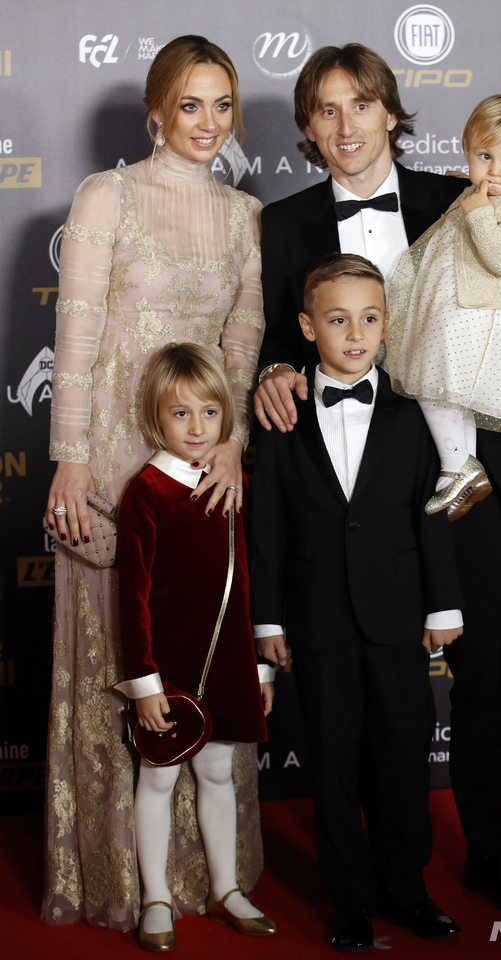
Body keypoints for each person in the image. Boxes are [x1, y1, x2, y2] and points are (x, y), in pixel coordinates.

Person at [254, 44, 501, 918]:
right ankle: (388, 877)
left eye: (362, 105)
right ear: (308, 128)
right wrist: (272, 371)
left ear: (392, 112)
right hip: (359, 506)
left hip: (468, 485)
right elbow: (276, 336)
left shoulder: (462, 198)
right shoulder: (282, 224)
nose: (346, 126)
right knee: (373, 695)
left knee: (484, 680)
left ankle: (493, 854)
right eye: (326, 111)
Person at [43, 36, 265, 929]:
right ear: (156, 111)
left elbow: (240, 348)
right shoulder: (109, 194)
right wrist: (69, 456)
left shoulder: (246, 214)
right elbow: (80, 331)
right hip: (109, 463)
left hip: (200, 475)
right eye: (190, 106)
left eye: (222, 106)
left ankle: (210, 878)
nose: (207, 124)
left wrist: (235, 439)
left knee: (199, 657)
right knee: (119, 660)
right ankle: (125, 882)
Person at [250, 254, 464, 950]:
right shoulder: (282, 415)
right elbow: (268, 525)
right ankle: (352, 900)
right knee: (334, 764)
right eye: (338, 320)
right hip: (315, 620)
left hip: (398, 615)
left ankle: (408, 890)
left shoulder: (408, 417)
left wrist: (443, 607)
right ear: (309, 327)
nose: (355, 334)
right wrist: (270, 618)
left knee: (404, 756)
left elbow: (431, 513)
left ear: (386, 326)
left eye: (370, 319)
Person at [114, 343, 275, 950]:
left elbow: (253, 583)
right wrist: (146, 683)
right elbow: (134, 597)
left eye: (209, 412)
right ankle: (155, 895)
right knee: (157, 780)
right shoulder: (147, 492)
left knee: (218, 774)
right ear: (156, 418)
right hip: (170, 668)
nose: (197, 427)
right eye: (180, 414)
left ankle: (225, 888)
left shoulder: (239, 487)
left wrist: (261, 666)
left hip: (229, 661)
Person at [387, 94, 501, 521]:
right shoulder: (481, 193)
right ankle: (461, 467)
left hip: (482, 318)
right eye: (484, 156)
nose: (495, 169)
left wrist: (479, 212)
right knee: (446, 392)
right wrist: (469, 191)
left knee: (430, 382)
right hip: (462, 312)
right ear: (467, 150)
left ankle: (457, 465)